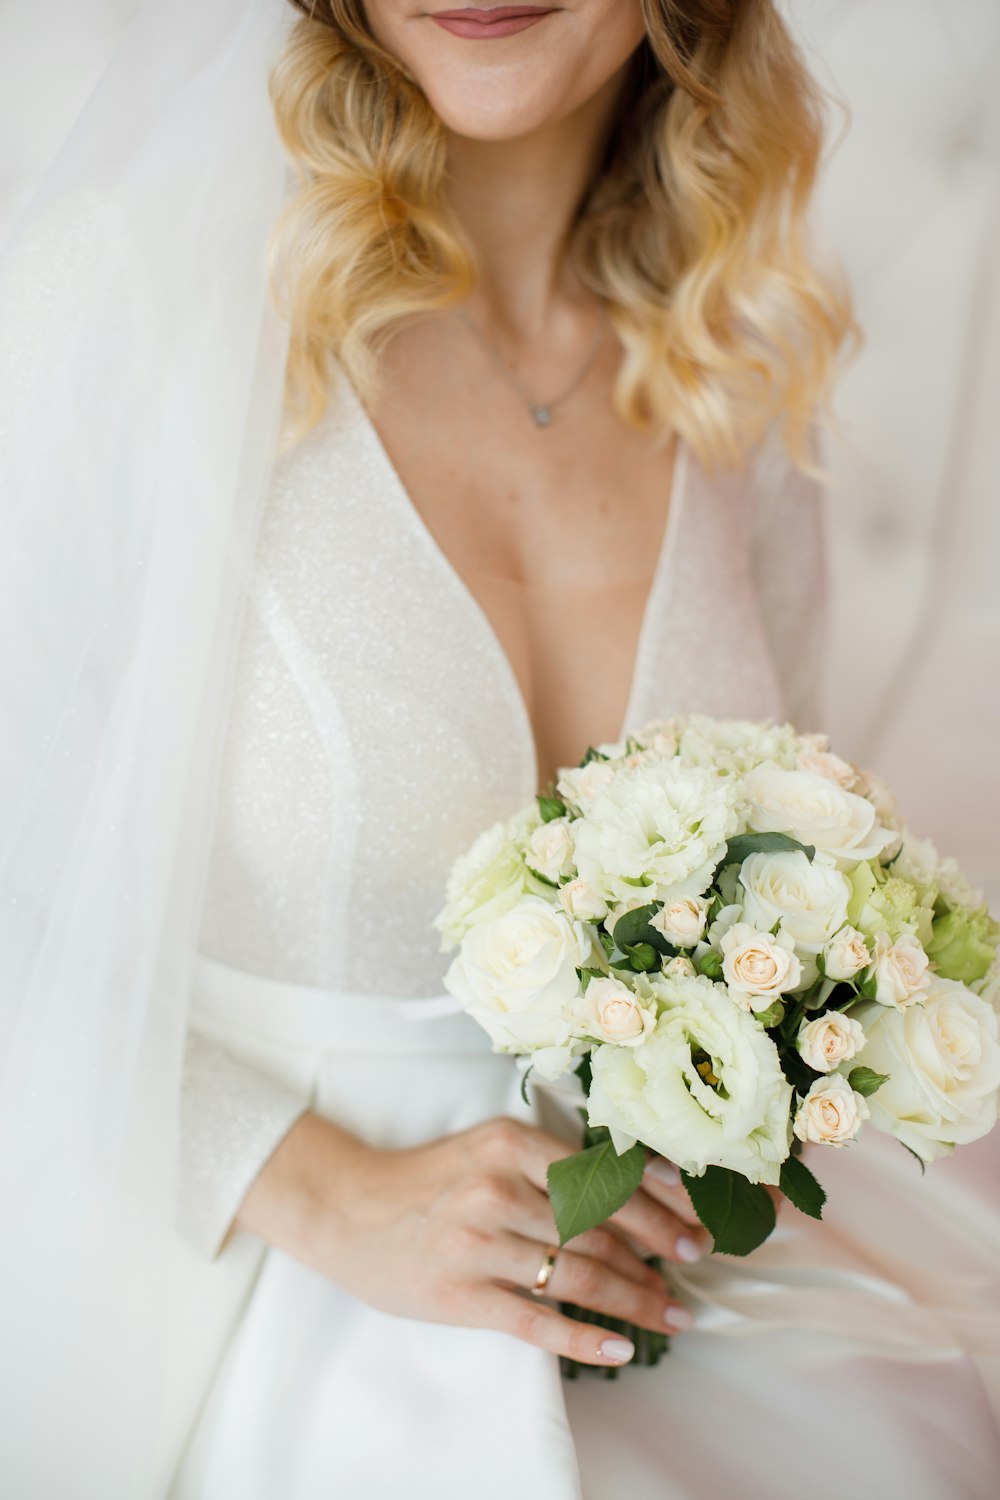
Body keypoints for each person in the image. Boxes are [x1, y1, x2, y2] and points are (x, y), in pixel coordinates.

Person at [1, 3, 998, 1498]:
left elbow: (790, 874)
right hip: (209, 1274)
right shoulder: (133, 299)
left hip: (653, 1300)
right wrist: (323, 1189)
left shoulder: (741, 353)